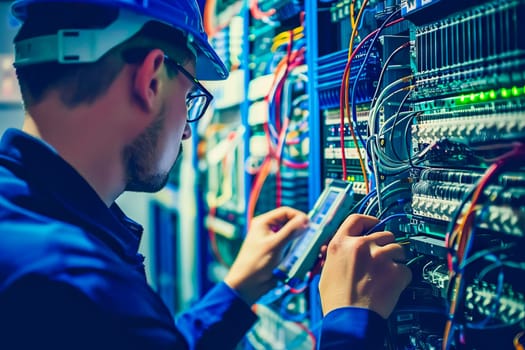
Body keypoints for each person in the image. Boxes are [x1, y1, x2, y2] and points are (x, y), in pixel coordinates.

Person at [0, 0, 412, 349]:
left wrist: (237, 290)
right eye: (192, 95)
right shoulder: (78, 287)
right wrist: (350, 321)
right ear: (149, 80)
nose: (186, 129)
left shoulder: (26, 225)